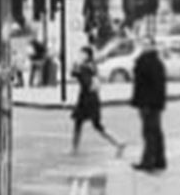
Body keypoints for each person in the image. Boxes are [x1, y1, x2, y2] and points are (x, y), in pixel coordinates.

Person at [71, 45, 124, 156]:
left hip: (86, 99)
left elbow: (85, 82)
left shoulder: (84, 67)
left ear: (86, 55)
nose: (79, 55)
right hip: (94, 98)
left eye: (81, 53)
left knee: (83, 123)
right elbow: (75, 74)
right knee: (92, 124)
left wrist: (78, 69)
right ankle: (118, 142)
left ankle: (75, 149)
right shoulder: (92, 66)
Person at [130, 36, 168, 171]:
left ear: (152, 45)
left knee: (149, 132)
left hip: (148, 103)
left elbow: (154, 86)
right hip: (152, 103)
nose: (144, 46)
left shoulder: (149, 62)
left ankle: (148, 161)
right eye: (142, 44)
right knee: (155, 131)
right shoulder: (153, 61)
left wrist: (147, 104)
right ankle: (159, 160)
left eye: (147, 44)